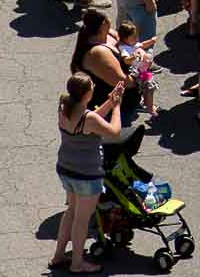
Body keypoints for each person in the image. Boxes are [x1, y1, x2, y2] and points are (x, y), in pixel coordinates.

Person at [53, 73, 125, 274]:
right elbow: (114, 132)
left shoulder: (64, 105)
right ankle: (77, 263)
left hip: (66, 170)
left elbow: (90, 120)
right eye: (92, 85)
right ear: (86, 93)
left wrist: (110, 102)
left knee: (71, 212)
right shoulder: (88, 118)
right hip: (86, 175)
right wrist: (117, 107)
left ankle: (59, 255)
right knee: (82, 221)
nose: (94, 86)